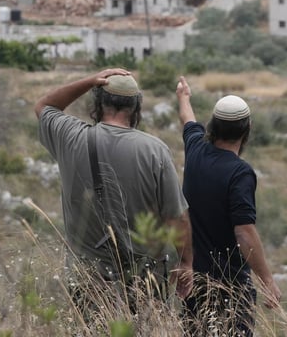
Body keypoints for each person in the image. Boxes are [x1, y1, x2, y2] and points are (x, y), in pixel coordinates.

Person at [35, 68, 193, 310]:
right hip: (144, 280)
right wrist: (185, 262)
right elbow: (176, 217)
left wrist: (90, 81)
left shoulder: (70, 137)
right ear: (136, 108)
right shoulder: (154, 150)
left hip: (88, 278)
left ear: (98, 102)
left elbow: (45, 106)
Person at [176, 75, 281, 336]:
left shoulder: (196, 150)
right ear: (247, 130)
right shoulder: (239, 173)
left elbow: (188, 120)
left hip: (193, 283)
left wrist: (183, 97)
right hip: (229, 287)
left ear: (212, 125)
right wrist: (267, 281)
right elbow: (244, 231)